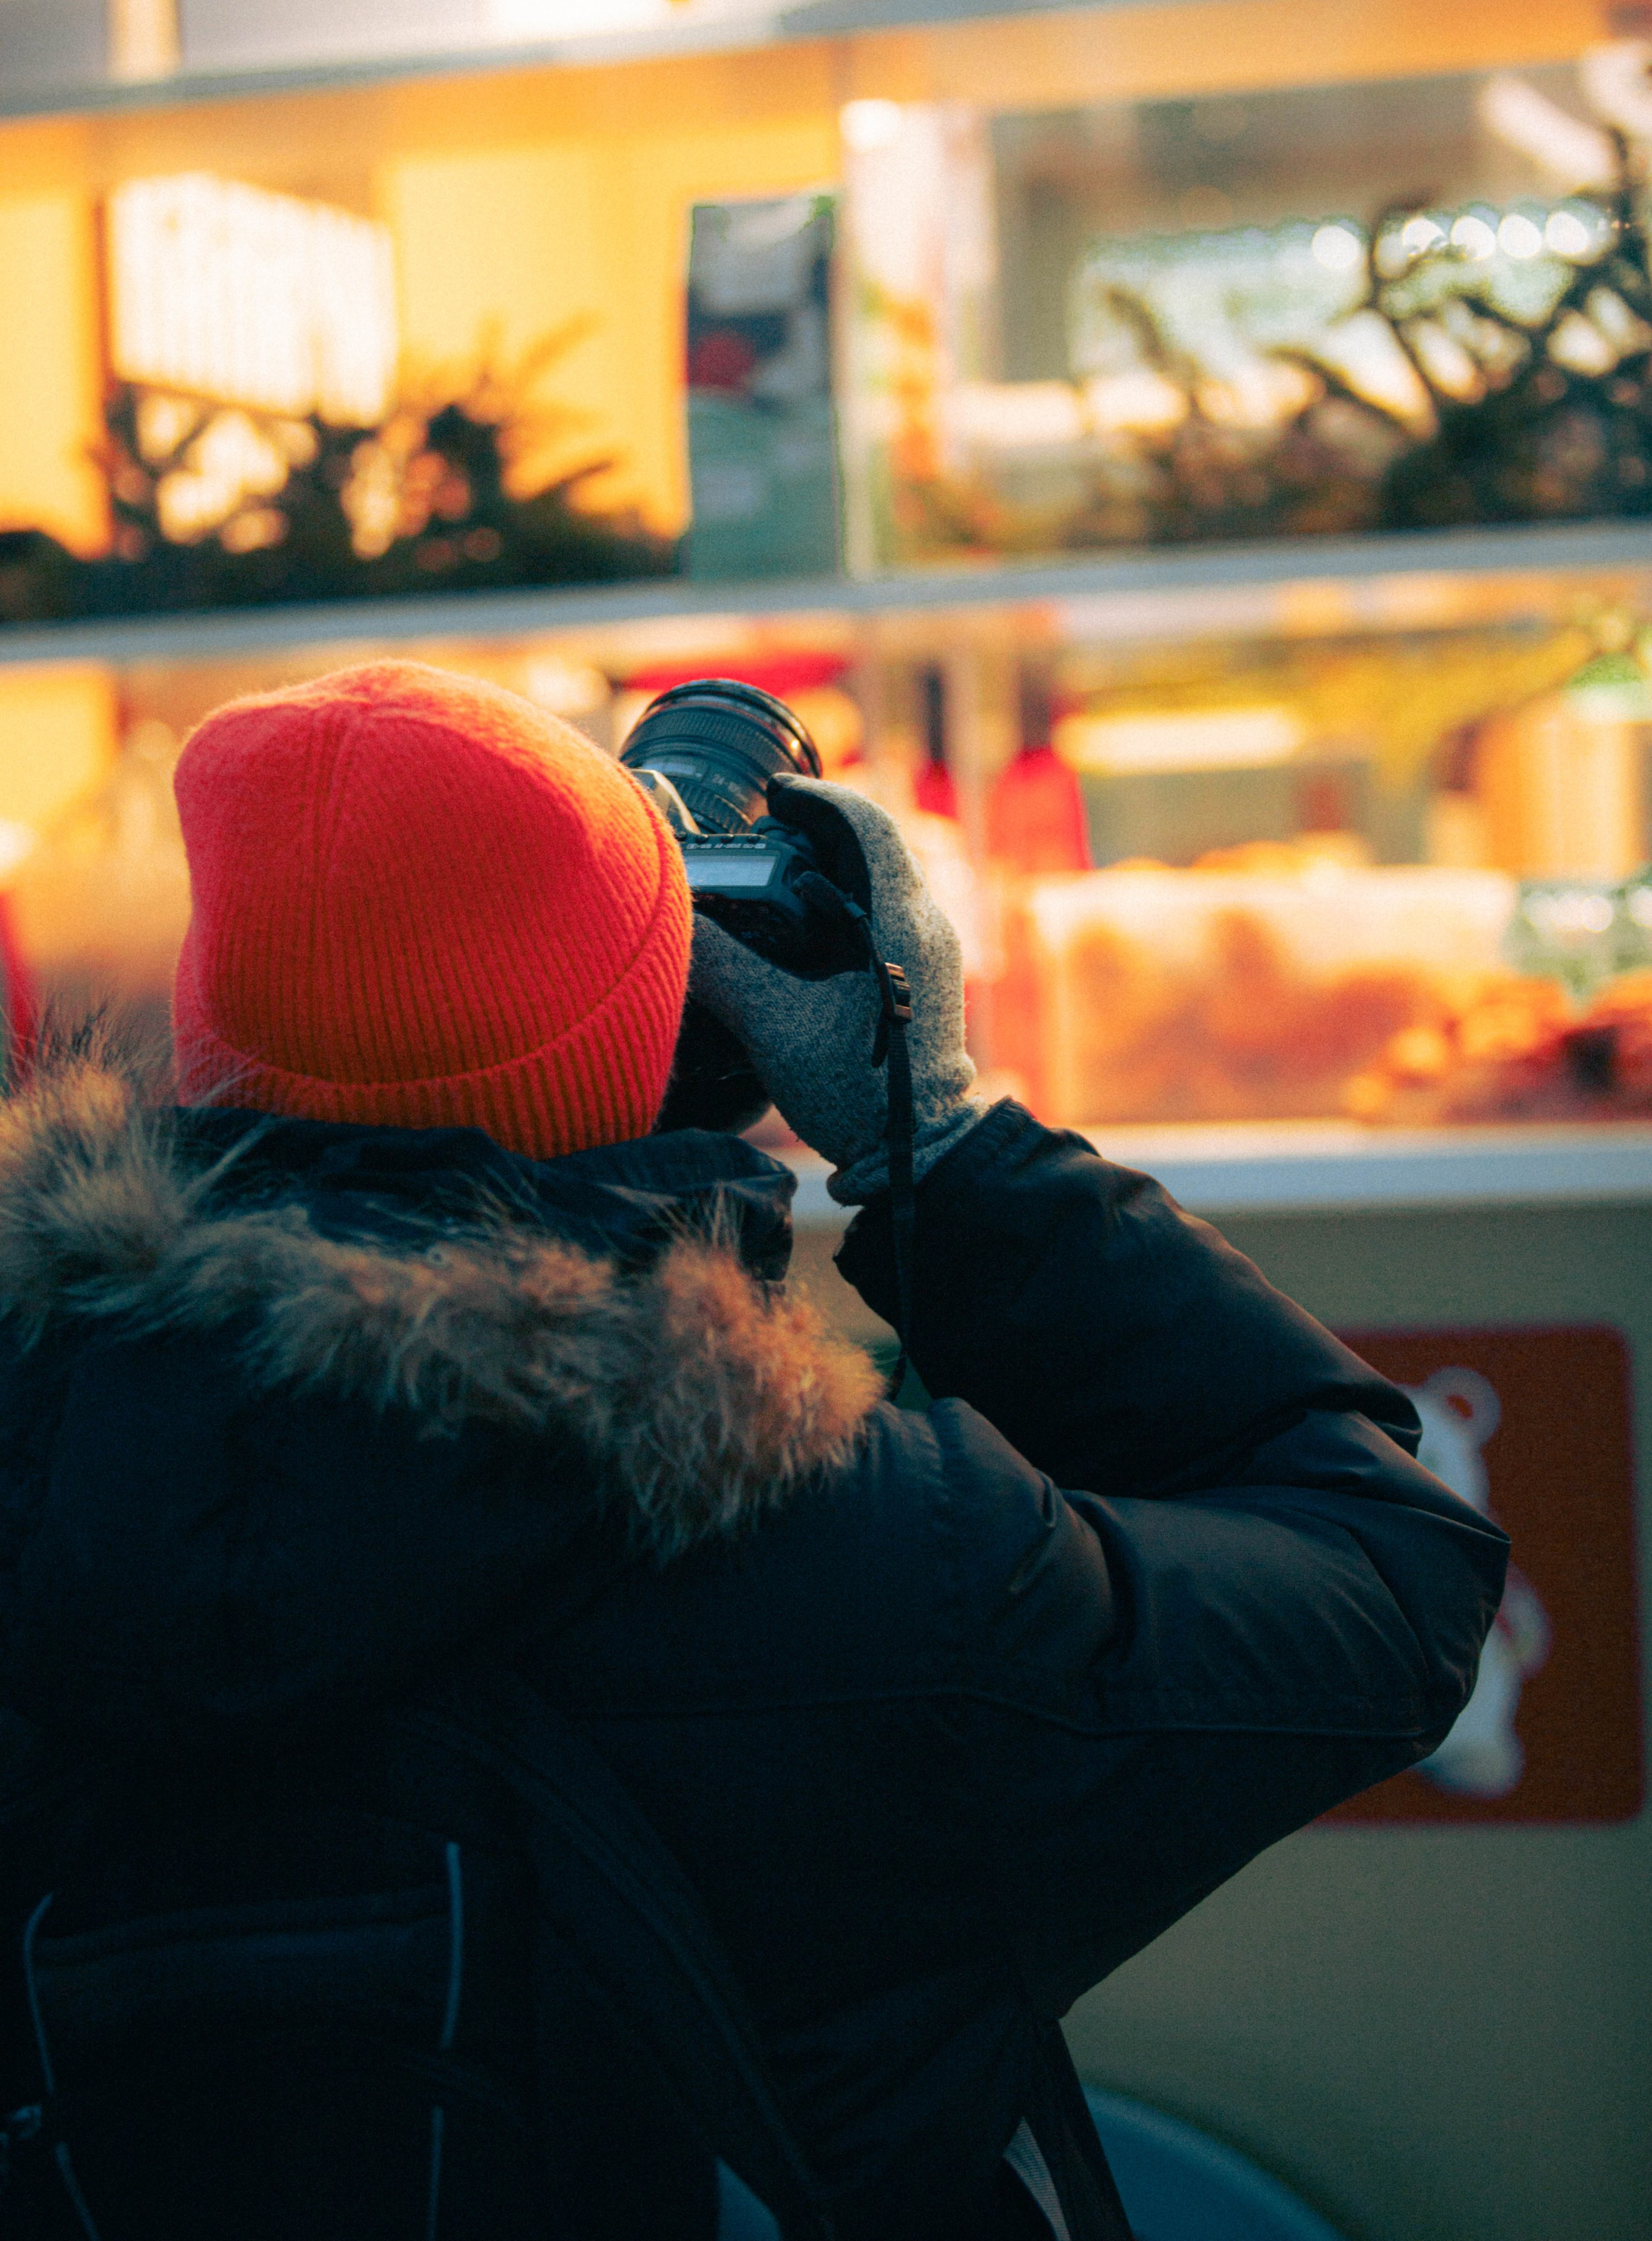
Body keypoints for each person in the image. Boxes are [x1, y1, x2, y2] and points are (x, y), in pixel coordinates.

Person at [0, 660, 1506, 2240]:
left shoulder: (41, 1522)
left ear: (206, 1042)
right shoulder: (874, 1570)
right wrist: (946, 1134)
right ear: (646, 1038)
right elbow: (1394, 1579)